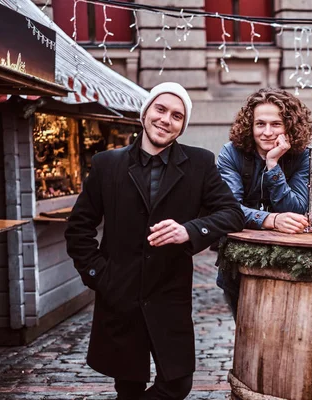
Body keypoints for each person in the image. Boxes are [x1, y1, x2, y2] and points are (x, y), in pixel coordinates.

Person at [65, 82, 244, 400]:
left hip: (169, 293)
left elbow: (230, 213)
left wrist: (189, 230)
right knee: (128, 387)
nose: (166, 120)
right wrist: (100, 276)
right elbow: (79, 229)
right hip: (119, 294)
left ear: (182, 125)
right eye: (160, 109)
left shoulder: (199, 163)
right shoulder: (107, 165)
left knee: (177, 384)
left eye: (177, 116)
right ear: (145, 113)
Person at [216, 88, 312, 319]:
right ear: (250, 125)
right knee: (247, 330)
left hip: (290, 263)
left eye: (276, 124)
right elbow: (229, 209)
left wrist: (273, 165)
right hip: (238, 264)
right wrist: (271, 220)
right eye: (260, 124)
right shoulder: (231, 154)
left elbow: (297, 208)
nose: (267, 132)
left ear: (289, 126)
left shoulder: (303, 156)